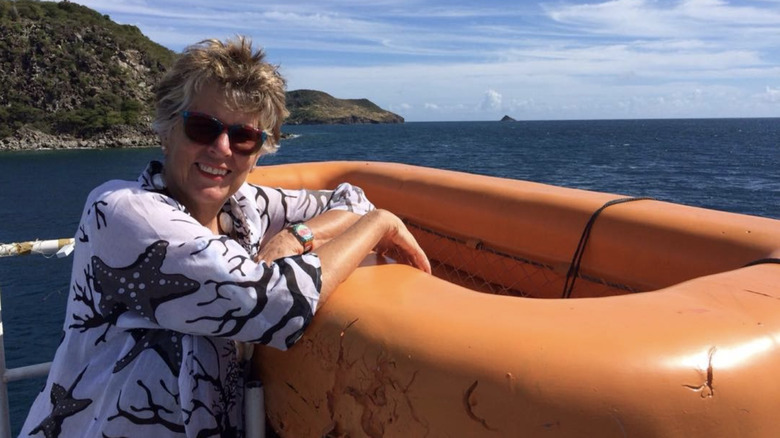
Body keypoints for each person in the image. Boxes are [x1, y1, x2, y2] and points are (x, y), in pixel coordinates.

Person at [20, 36, 430, 437]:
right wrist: (380, 225)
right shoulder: (121, 211)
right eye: (202, 127)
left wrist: (295, 237)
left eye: (243, 136)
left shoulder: (246, 208)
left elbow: (350, 199)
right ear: (166, 130)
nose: (221, 148)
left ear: (259, 151)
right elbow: (269, 302)